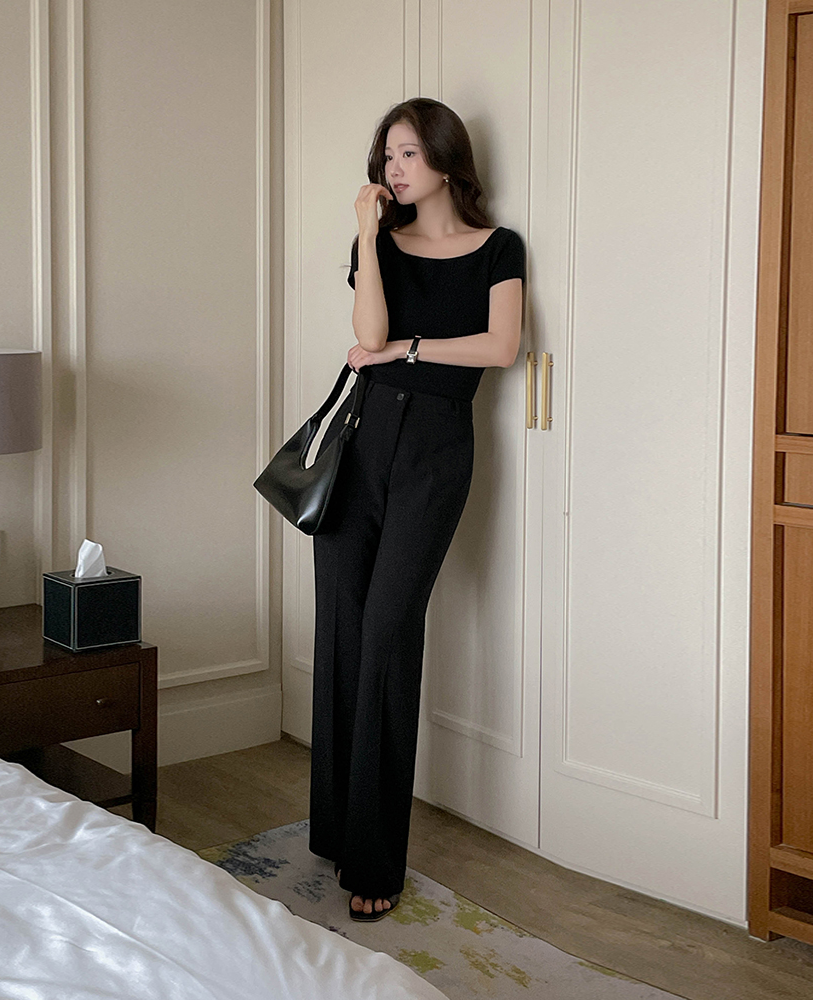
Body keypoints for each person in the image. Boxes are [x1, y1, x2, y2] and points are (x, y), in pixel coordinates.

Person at [307, 97, 526, 921]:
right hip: (363, 443)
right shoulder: (380, 245)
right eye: (385, 157)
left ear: (443, 156)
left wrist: (411, 348)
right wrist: (367, 236)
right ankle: (336, 828)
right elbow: (367, 336)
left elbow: (501, 347)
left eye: (406, 153)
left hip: (436, 448)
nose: (392, 169)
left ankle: (375, 860)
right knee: (342, 627)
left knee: (389, 634)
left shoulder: (498, 248)